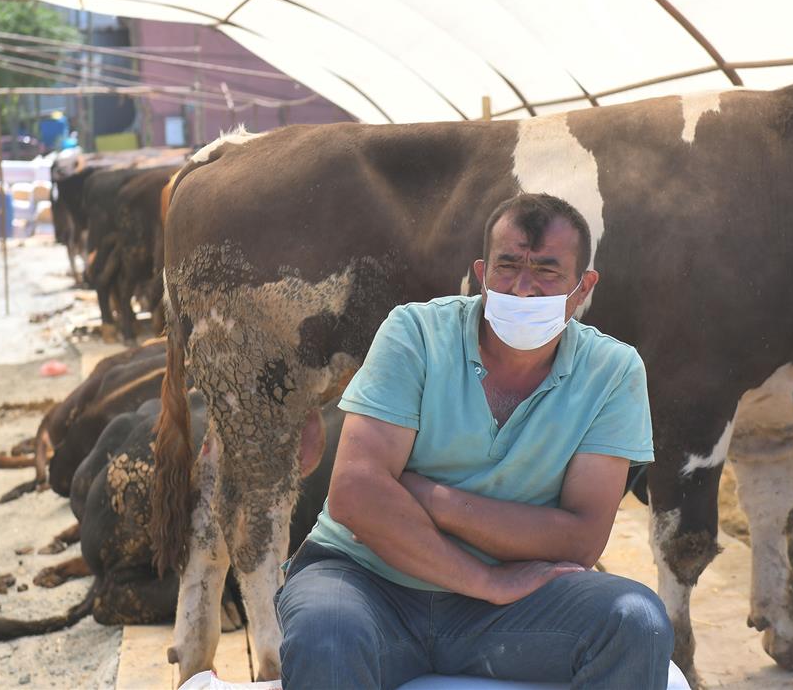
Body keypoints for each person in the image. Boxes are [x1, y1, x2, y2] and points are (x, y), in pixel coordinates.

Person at [277, 193, 673, 690]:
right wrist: (486, 580)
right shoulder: (417, 333)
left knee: (636, 622)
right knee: (325, 638)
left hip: (510, 607)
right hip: (365, 580)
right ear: (482, 272)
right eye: (508, 267)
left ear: (582, 286)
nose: (523, 289)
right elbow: (356, 496)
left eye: (547, 272)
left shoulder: (612, 372)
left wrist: (424, 495)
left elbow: (580, 538)